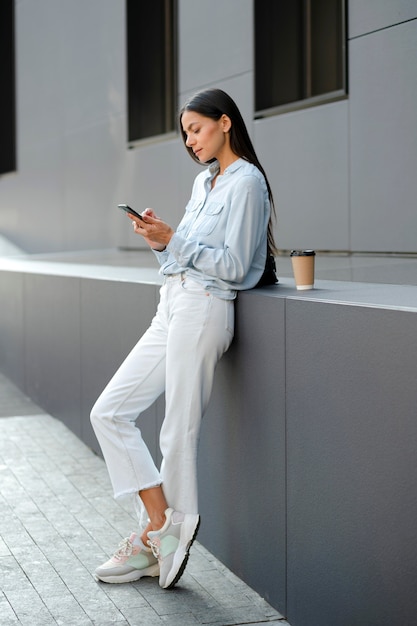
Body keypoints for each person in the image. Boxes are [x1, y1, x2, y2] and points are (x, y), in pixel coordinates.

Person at [90, 88, 277, 590]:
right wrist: (160, 242)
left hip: (206, 307)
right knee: (108, 411)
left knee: (176, 431)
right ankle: (158, 527)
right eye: (186, 133)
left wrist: (176, 240)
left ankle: (166, 540)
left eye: (196, 129)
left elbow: (238, 267)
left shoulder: (248, 184)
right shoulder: (203, 183)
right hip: (171, 301)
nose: (190, 141)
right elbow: (183, 255)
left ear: (225, 123)